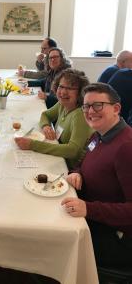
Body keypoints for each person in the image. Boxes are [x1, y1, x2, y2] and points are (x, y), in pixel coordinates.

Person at [61, 83, 132, 268]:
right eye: (86, 106)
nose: (90, 111)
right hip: (91, 214)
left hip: (115, 235)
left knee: (51, 243)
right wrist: (76, 173)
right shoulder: (98, 136)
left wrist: (89, 209)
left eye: (97, 105)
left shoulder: (126, 148)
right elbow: (81, 163)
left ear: (116, 108)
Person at [15, 69, 93, 169]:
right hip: (57, 155)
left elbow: (72, 150)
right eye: (61, 86)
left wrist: (33, 145)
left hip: (71, 168)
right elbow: (45, 115)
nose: (63, 92)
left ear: (80, 92)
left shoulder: (81, 115)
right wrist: (46, 126)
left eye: (70, 88)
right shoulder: (63, 104)